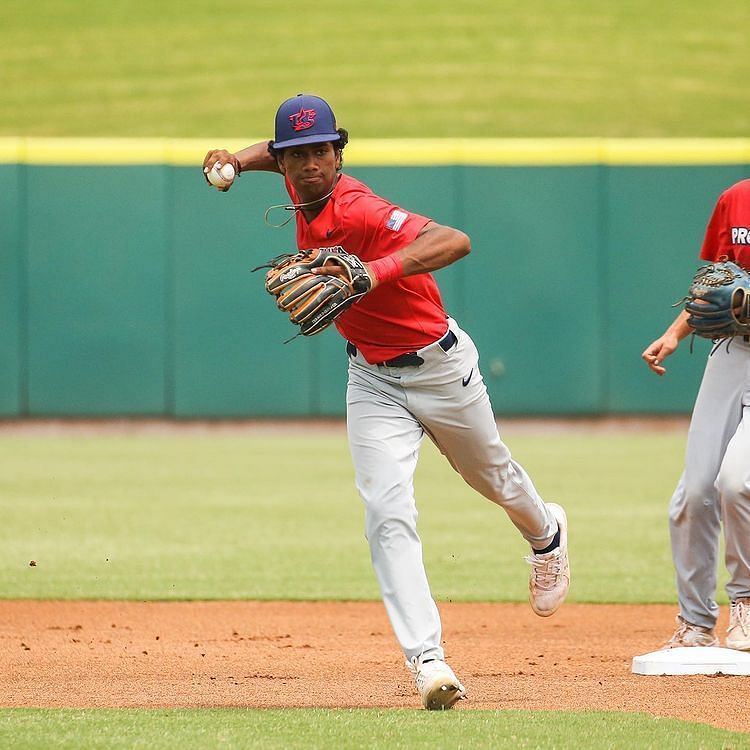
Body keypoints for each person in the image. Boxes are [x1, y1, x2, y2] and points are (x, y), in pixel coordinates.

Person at [203, 94, 570, 709]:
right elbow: (277, 152)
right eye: (300, 156)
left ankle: (547, 534)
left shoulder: (359, 208)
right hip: (371, 379)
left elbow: (455, 240)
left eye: (323, 151)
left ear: (339, 155)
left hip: (440, 367)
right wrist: (237, 162)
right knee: (385, 510)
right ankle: (429, 662)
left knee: (494, 479)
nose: (311, 164)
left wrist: (375, 272)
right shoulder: (299, 180)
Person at [642, 178, 750, 651]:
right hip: (732, 354)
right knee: (696, 491)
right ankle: (695, 623)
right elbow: (719, 285)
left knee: (738, 481)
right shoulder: (736, 198)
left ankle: (745, 604)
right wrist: (675, 332)